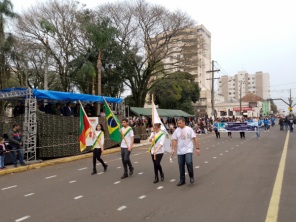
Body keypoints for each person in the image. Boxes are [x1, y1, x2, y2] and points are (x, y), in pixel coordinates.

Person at [171, 118, 200, 186]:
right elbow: (174, 140)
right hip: (180, 151)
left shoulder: (189, 129)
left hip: (188, 149)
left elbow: (194, 138)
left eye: (180, 123)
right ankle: (182, 180)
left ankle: (191, 176)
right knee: (181, 165)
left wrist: (197, 148)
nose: (178, 124)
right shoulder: (176, 131)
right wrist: (173, 149)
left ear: (184, 122)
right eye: (178, 123)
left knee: (189, 162)